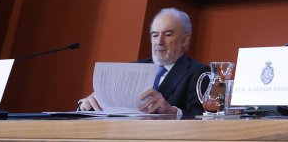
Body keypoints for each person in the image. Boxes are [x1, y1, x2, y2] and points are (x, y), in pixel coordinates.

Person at [77, 7, 209, 118]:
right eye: (155, 35)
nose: (159, 42)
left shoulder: (199, 73)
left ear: (185, 40)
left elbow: (201, 118)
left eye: (168, 34)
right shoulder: (132, 69)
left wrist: (172, 111)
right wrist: (86, 105)